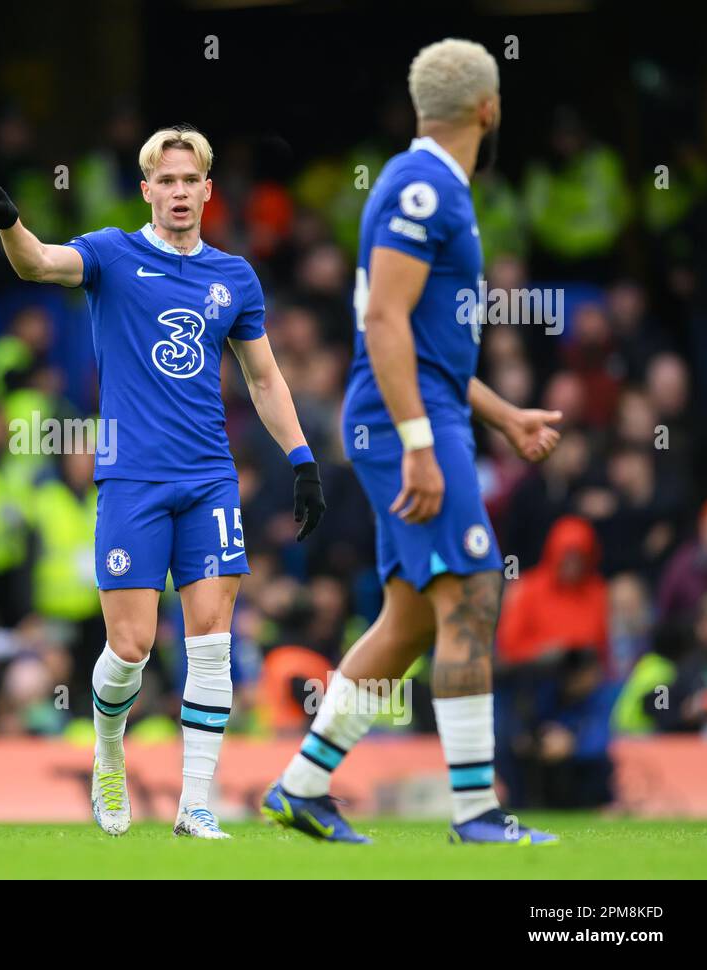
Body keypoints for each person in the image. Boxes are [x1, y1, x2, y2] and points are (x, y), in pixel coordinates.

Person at [0, 125, 325, 838]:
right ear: (147, 190)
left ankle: (196, 805)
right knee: (130, 646)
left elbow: (262, 375)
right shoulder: (110, 253)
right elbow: (38, 263)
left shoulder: (235, 277)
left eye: (191, 180)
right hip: (132, 477)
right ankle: (108, 749)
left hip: (209, 478)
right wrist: (11, 223)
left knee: (212, 641)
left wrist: (302, 459)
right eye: (166, 180)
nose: (179, 191)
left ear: (207, 190)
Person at [260, 39, 565, 845]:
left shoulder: (430, 185)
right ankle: (476, 812)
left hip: (418, 412)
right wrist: (421, 444)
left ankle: (300, 786)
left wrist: (503, 415)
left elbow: (426, 341)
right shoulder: (426, 185)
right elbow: (385, 321)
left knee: (412, 621)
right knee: (471, 591)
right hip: (407, 423)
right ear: (489, 109)